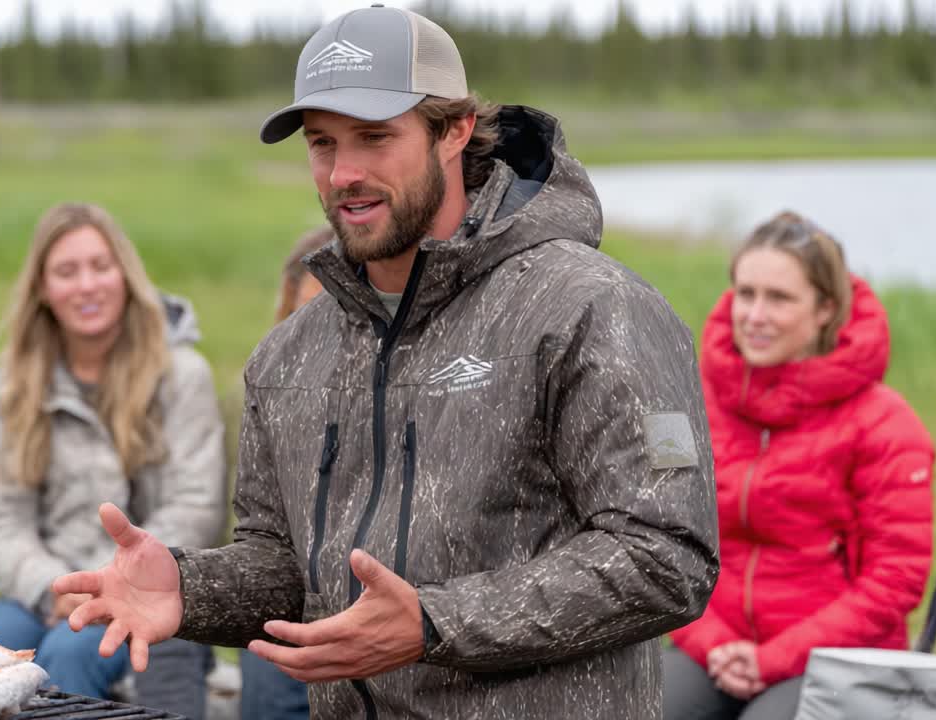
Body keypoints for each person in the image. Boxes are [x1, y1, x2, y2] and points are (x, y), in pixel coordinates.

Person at [55, 6, 719, 719]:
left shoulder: (593, 308)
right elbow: (285, 567)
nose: (345, 173)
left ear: (455, 129)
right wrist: (190, 589)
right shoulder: (288, 355)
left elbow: (666, 555)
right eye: (322, 143)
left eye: (374, 137)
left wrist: (434, 624)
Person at [664, 211, 935, 720]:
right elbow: (663, 539)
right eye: (746, 293)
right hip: (713, 645)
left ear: (825, 309)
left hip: (837, 656)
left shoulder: (885, 424)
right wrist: (712, 643)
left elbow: (896, 578)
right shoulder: (690, 402)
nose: (755, 315)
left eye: (779, 298)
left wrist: (773, 659)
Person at [0, 202, 225, 717]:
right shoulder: (13, 387)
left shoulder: (181, 375)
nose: (86, 285)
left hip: (150, 587)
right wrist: (53, 588)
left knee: (71, 654)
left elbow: (196, 505)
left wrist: (114, 583)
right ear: (43, 289)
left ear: (125, 276)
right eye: (67, 272)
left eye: (100, 267)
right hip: (47, 589)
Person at [239, 224, 334, 720]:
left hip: (390, 606)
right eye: (307, 316)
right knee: (266, 672)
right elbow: (259, 536)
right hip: (292, 597)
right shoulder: (273, 395)